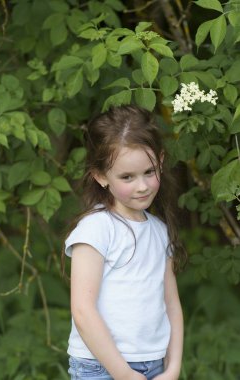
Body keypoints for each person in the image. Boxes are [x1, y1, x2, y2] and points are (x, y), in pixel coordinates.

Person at [63, 105, 186, 380]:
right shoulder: (96, 229)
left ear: (161, 162)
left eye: (149, 172)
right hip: (100, 367)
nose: (142, 186)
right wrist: (125, 374)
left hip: (154, 366)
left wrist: (173, 367)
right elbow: (83, 311)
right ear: (101, 176)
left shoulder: (158, 230)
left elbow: (171, 303)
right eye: (127, 177)